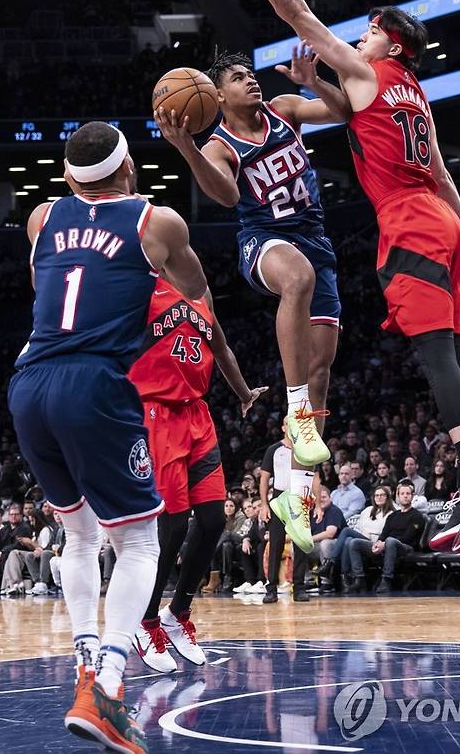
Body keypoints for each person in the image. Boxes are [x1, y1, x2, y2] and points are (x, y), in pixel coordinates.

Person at [197, 0, 460, 553]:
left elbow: (299, 15)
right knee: (421, 357)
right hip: (421, 226)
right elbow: (441, 169)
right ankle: (450, 481)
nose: (359, 37)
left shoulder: (355, 76)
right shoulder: (411, 92)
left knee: (390, 364)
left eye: (367, 32)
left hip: (401, 228)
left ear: (389, 44)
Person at [8, 120, 210, 752]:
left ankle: (86, 660)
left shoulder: (42, 217)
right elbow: (195, 290)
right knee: (140, 543)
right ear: (130, 171)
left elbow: (49, 284)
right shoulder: (157, 222)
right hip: (93, 385)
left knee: (78, 532)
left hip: (28, 383)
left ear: (69, 177)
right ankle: (110, 690)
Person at [154, 46, 345, 549]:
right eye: (238, 78)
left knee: (322, 367)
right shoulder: (219, 144)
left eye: (250, 74)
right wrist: (187, 149)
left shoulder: (284, 109)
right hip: (264, 243)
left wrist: (315, 81)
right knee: (297, 278)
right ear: (217, 95)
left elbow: (345, 110)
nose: (251, 82)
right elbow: (228, 196)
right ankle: (295, 408)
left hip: (316, 240)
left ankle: (297, 499)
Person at [129, 275, 266, 673]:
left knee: (211, 520)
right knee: (171, 527)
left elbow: (220, 349)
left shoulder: (203, 295)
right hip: (156, 411)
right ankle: (145, 618)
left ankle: (178, 613)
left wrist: (243, 394)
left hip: (196, 414)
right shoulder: (144, 286)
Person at [259, 422, 321, 604]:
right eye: (288, 424)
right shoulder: (274, 449)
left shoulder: (306, 449)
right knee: (276, 543)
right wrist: (264, 504)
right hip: (279, 498)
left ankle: (299, 588)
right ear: (283, 427)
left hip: (300, 498)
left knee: (300, 545)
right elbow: (264, 478)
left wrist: (317, 504)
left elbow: (315, 477)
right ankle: (271, 588)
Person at [345, 482, 424, 594]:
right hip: (387, 545)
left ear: (412, 496)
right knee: (354, 543)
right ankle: (359, 578)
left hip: (406, 548)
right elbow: (383, 534)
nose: (405, 496)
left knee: (391, 541)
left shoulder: (417, 516)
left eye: (408, 493)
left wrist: (385, 543)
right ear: (398, 496)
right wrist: (378, 543)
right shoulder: (393, 516)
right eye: (402, 493)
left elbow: (408, 537)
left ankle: (386, 579)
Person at [318, 485, 395, 588]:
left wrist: (369, 532)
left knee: (346, 531)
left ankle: (331, 563)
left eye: (382, 495)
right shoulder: (367, 510)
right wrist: (364, 532)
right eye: (376, 495)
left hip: (377, 543)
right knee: (348, 540)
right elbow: (358, 527)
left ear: (387, 497)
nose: (379, 497)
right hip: (363, 539)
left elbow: (384, 532)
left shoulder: (392, 513)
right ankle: (346, 578)